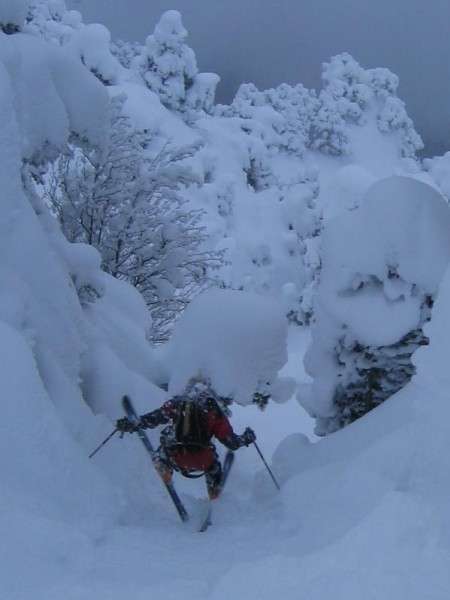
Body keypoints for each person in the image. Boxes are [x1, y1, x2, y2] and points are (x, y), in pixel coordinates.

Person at [116, 378, 256, 500]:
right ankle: (214, 492)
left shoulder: (177, 403)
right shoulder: (213, 408)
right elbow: (232, 443)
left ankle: (164, 466)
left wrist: (134, 423)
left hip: (177, 457)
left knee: (166, 437)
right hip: (204, 460)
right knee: (214, 464)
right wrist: (246, 438)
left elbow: (156, 418)